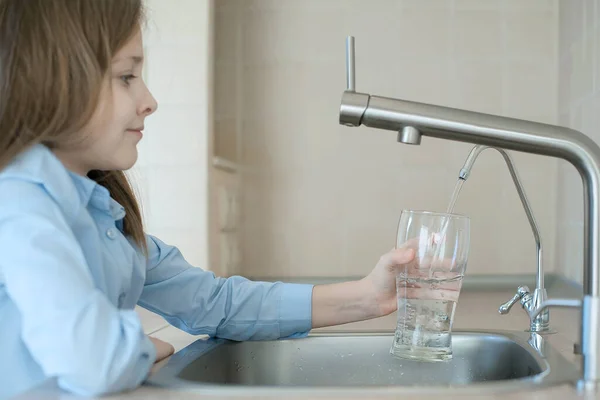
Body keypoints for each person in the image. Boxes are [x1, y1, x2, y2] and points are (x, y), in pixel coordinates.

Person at [0, 0, 416, 398]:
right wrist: (139, 346)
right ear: (53, 79)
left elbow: (215, 302)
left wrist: (369, 296)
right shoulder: (20, 205)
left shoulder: (101, 213)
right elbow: (92, 362)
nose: (149, 101)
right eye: (127, 76)